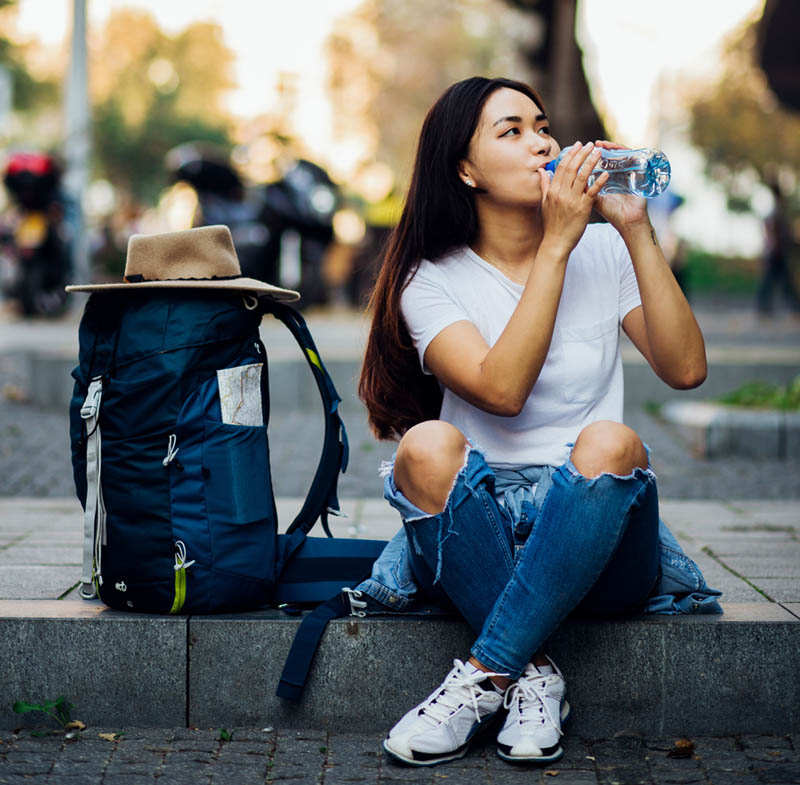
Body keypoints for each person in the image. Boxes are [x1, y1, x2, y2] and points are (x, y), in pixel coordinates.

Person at [354, 76, 713, 767]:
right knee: (425, 446)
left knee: (611, 441)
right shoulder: (430, 281)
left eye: (542, 126)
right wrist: (556, 245)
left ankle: (487, 670)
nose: (542, 142)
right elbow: (502, 388)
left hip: (595, 526)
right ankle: (534, 672)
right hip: (478, 537)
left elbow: (687, 368)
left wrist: (633, 227)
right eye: (510, 131)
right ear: (465, 169)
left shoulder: (606, 252)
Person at [756, 182, 800, 315]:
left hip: (778, 252)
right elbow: (774, 230)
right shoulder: (778, 211)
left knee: (781, 282)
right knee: (778, 282)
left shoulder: (779, 210)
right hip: (777, 252)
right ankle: (765, 306)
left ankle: (766, 306)